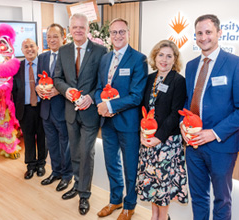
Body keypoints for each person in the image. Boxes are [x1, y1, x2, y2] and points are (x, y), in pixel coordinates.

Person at [181, 14, 239, 220]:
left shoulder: (236, 64)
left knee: (222, 199)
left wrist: (213, 133)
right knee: (198, 196)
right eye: (199, 33)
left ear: (219, 33)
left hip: (222, 145)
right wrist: (182, 126)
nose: (204, 37)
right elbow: (188, 103)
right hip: (193, 145)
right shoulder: (191, 65)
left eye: (208, 32)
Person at [94, 18, 148, 220]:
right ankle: (115, 199)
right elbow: (100, 87)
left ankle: (129, 205)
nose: (118, 36)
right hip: (107, 122)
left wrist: (109, 106)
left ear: (128, 33)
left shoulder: (139, 59)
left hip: (128, 123)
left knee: (130, 166)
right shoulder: (106, 59)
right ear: (110, 35)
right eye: (114, 32)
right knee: (111, 164)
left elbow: (136, 95)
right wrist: (102, 103)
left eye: (121, 32)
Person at [54, 13, 107, 215]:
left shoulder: (100, 51)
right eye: (74, 27)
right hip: (70, 111)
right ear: (70, 29)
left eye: (81, 27)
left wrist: (92, 97)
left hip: (90, 113)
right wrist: (66, 90)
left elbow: (104, 82)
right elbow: (57, 78)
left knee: (87, 153)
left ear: (88, 29)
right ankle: (77, 185)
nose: (78, 30)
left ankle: (84, 195)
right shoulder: (64, 50)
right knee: (75, 152)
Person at [136, 40, 188, 220]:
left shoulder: (179, 81)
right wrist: (143, 133)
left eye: (169, 56)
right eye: (161, 55)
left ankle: (163, 217)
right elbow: (143, 109)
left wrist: (158, 137)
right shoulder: (150, 78)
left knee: (164, 184)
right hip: (148, 141)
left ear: (175, 60)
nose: (164, 60)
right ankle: (155, 216)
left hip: (167, 143)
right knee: (152, 181)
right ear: (155, 56)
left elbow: (175, 115)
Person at [36, 23, 73, 192]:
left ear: (63, 37)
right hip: (46, 109)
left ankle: (67, 176)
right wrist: (37, 87)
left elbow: (73, 82)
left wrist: (58, 90)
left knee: (65, 143)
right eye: (49, 37)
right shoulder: (42, 57)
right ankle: (56, 171)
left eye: (55, 36)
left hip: (62, 108)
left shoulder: (70, 56)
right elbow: (39, 79)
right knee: (51, 143)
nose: (51, 39)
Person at [12, 38, 47, 180]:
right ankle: (30, 165)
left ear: (37, 48)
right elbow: (13, 89)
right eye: (26, 47)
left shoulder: (44, 65)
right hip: (25, 108)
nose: (29, 49)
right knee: (28, 137)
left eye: (31, 46)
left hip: (42, 106)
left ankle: (41, 164)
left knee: (42, 136)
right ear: (22, 50)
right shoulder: (18, 67)